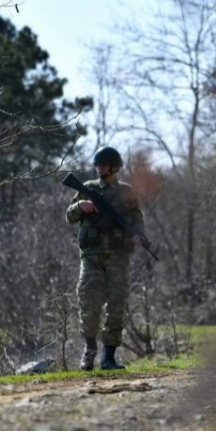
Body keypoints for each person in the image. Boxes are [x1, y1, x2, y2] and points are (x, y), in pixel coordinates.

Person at [65, 146, 145, 371]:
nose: (100, 168)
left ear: (115, 167)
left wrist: (138, 235)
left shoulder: (127, 192)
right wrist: (80, 206)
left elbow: (138, 220)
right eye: (98, 165)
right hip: (91, 257)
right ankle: (89, 352)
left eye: (104, 165)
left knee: (117, 306)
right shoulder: (87, 188)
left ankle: (108, 357)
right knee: (89, 303)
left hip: (119, 257)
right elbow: (69, 216)